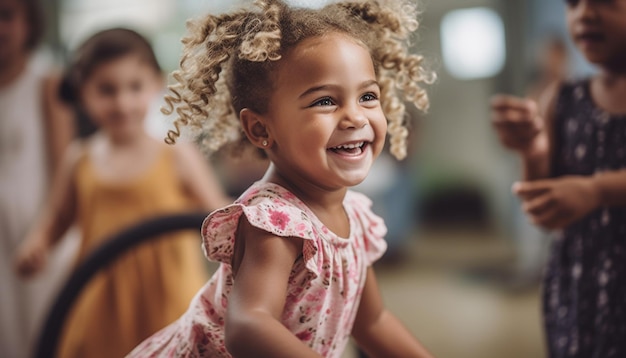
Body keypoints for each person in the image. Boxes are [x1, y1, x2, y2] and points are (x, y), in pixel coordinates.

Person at [127, 0, 435, 357]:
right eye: (325, 102)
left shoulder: (356, 217)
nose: (355, 117)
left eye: (367, 96)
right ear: (260, 129)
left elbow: (372, 321)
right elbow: (248, 325)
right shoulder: (276, 222)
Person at [13, 28, 232, 358]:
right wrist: (38, 243)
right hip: (101, 294)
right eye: (106, 90)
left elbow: (216, 213)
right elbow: (58, 217)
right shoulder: (80, 159)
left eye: (134, 87)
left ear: (156, 83)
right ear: (83, 92)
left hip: (167, 293)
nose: (122, 102)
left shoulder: (176, 155)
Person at [490, 0, 626, 356]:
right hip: (579, 289)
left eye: (603, 1)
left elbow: (589, 192)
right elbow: (544, 212)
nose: (584, 14)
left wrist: (597, 190)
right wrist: (531, 148)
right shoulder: (564, 99)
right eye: (572, 3)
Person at [0, 0, 77, 357]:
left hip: (38, 229)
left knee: (47, 330)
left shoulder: (46, 81)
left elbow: (65, 166)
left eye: (6, 15)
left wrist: (44, 234)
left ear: (29, 23)